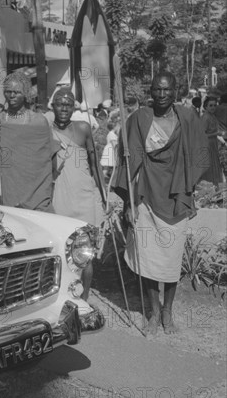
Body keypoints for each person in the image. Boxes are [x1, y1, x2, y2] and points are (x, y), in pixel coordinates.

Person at [112, 72, 209, 336]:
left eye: (167, 89)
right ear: (151, 91)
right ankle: (154, 313)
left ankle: (168, 312)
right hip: (145, 197)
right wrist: (128, 204)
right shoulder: (139, 119)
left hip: (175, 197)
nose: (162, 94)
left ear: (175, 91)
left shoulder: (186, 118)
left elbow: (201, 153)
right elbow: (127, 162)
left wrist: (190, 190)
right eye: (157, 89)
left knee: (170, 260)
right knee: (149, 259)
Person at [51, 87, 105, 300]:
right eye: (60, 103)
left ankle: (84, 300)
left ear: (74, 107)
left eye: (68, 104)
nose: (64, 108)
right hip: (60, 197)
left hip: (84, 197)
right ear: (53, 106)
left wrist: (103, 197)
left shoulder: (83, 128)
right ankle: (63, 298)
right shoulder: (45, 130)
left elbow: (95, 164)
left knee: (86, 254)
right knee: (62, 252)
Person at [0, 71, 55, 211]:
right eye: (8, 92)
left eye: (16, 92)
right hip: (6, 190)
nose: (11, 96)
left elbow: (49, 161)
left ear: (26, 94)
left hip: (36, 193)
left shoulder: (38, 121)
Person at [200, 95, 226, 186]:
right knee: (208, 169)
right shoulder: (206, 117)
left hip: (213, 144)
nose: (213, 107)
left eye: (215, 105)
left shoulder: (212, 116)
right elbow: (202, 135)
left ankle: (215, 189)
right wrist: (216, 134)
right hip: (207, 145)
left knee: (214, 168)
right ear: (206, 106)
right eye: (210, 105)